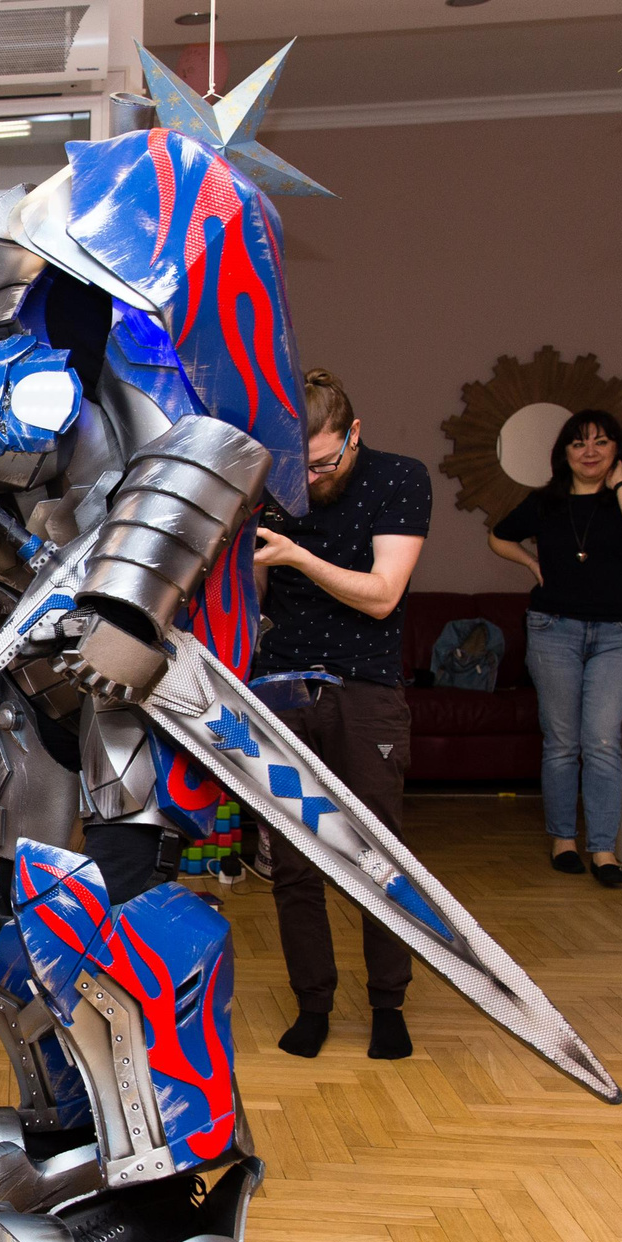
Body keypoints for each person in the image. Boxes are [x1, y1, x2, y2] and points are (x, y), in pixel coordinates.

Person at [251, 368, 430, 1065]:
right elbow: (255, 592)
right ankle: (313, 1004)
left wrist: (298, 551)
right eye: (302, 466)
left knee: (379, 854)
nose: (313, 479)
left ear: (354, 433)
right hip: (284, 685)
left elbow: (385, 594)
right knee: (293, 860)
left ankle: (389, 1002)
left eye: (324, 462)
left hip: (367, 689)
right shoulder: (273, 484)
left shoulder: (400, 479)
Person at [488, 408, 622, 886]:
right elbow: (498, 536)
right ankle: (563, 840)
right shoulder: (545, 502)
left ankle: (604, 850)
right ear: (563, 453)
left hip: (616, 634)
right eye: (579, 443)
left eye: (602, 443)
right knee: (563, 743)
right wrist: (530, 563)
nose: (590, 452)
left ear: (616, 452)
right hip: (554, 629)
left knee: (603, 742)